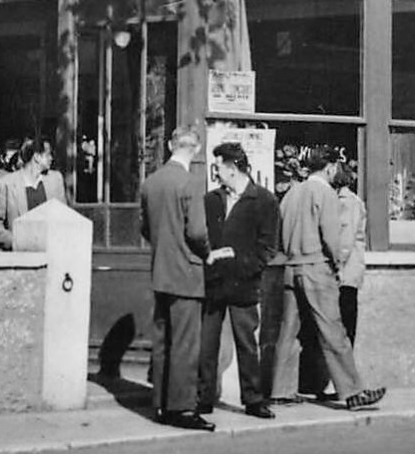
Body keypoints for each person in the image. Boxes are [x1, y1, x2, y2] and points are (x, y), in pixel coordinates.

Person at [269, 147, 384, 411]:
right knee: (333, 331)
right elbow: (333, 239)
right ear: (330, 167)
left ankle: (280, 391)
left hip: (290, 267)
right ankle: (353, 392)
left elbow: (279, 233)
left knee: (289, 331)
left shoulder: (291, 193)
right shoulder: (326, 194)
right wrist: (336, 265)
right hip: (316, 268)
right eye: (335, 167)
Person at [197, 142, 280, 419]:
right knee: (207, 343)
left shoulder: (265, 200)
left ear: (232, 169)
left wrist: (240, 263)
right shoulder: (211, 200)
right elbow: (202, 238)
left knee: (246, 343)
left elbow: (268, 248)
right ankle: (203, 396)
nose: (215, 172)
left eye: (218, 166)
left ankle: (253, 399)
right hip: (213, 284)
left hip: (243, 283)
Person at [139, 125, 213, 432]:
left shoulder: (151, 182)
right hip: (186, 272)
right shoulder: (191, 183)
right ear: (194, 150)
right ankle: (181, 409)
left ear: (171, 145)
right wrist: (207, 252)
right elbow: (197, 231)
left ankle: (160, 403)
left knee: (163, 341)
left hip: (161, 272)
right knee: (185, 343)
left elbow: (145, 228)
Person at [299, 154, 367, 401]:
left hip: (344, 276)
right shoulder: (325, 195)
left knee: (340, 331)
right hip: (332, 272)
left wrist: (336, 267)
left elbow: (344, 241)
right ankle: (324, 383)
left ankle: (334, 385)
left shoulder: (347, 201)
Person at [0, 136, 68, 249]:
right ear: (37, 157)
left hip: (50, 252)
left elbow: (63, 217)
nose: (51, 158)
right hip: (18, 256)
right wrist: (15, 241)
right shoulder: (6, 184)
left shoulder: (55, 180)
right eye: (48, 154)